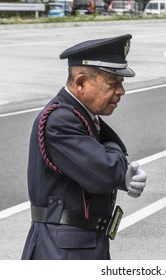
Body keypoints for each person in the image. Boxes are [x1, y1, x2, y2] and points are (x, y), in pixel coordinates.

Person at [21, 34, 147, 260]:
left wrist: (122, 178)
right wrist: (113, 152)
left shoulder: (82, 117)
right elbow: (104, 172)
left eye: (121, 83)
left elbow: (90, 170)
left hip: (77, 244)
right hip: (63, 251)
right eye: (113, 83)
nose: (121, 91)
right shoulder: (61, 119)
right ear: (80, 83)